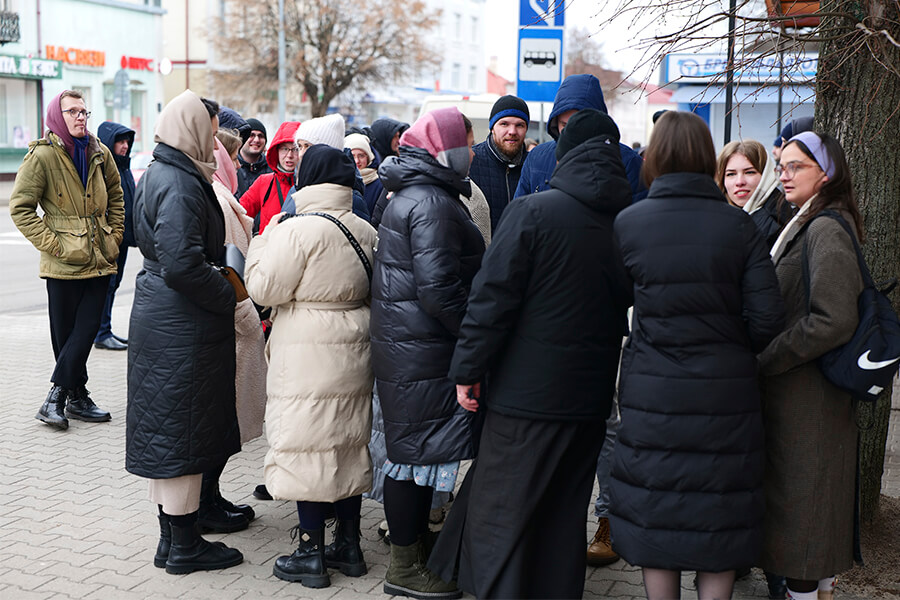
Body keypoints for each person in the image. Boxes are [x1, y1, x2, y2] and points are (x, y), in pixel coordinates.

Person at [428, 109, 633, 599]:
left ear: (563, 157)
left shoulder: (533, 213)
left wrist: (468, 370)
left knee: (503, 514)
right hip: (590, 397)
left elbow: (490, 301)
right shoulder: (625, 224)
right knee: (565, 516)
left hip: (526, 397)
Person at [608, 111, 785, 600]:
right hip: (726, 396)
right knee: (718, 519)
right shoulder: (738, 226)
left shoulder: (630, 224)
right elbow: (768, 318)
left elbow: (608, 305)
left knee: (658, 516)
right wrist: (730, 349)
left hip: (652, 394)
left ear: (656, 158)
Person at [245, 144, 377, 589]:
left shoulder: (295, 229)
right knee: (346, 443)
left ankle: (310, 552)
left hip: (306, 350)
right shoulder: (363, 226)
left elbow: (264, 288)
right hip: (355, 345)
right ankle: (351, 546)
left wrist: (263, 239)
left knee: (306, 447)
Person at [125, 90, 243, 574]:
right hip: (183, 323)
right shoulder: (179, 181)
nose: (216, 142)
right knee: (184, 438)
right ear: (191, 130)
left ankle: (170, 542)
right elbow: (182, 264)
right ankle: (186, 546)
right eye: (211, 133)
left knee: (171, 434)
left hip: (165, 317)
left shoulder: (161, 171)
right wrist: (227, 295)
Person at [370, 107, 484, 600]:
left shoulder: (416, 193)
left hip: (412, 347)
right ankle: (404, 565)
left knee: (415, 456)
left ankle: (416, 548)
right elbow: (439, 290)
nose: (474, 152)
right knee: (413, 459)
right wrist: (474, 337)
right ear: (449, 149)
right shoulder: (433, 202)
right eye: (468, 143)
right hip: (426, 350)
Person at [758, 131, 865, 600]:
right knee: (808, 524)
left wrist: (769, 357)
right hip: (803, 399)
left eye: (796, 166)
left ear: (827, 173)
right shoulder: (808, 220)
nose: (784, 173)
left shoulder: (824, 227)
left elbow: (834, 319)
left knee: (804, 529)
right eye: (782, 165)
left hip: (810, 403)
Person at [10, 90, 123, 430]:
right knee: (65, 337)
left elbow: (116, 196)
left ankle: (55, 398)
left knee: (86, 330)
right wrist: (54, 245)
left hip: (99, 257)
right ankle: (77, 395)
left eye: (84, 112)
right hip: (62, 262)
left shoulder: (99, 151)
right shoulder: (42, 157)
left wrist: (114, 235)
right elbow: (20, 208)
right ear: (57, 116)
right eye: (72, 111)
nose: (80, 117)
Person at [193, 128, 268, 534]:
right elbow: (229, 269)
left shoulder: (218, 197)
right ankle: (206, 503)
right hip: (233, 326)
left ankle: (212, 497)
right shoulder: (220, 201)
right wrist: (246, 318)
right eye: (232, 158)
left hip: (232, 326)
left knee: (225, 422)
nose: (237, 164)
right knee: (222, 423)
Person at [514, 73, 646, 204]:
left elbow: (636, 219)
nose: (570, 132)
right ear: (555, 122)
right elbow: (518, 214)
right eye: (564, 125)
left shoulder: (629, 162)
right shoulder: (537, 158)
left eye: (578, 123)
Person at [92, 121, 136, 351]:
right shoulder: (105, 169)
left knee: (114, 284)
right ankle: (101, 332)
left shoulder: (124, 168)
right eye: (120, 140)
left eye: (127, 141)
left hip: (123, 239)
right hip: (110, 239)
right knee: (107, 285)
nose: (125, 145)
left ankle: (104, 330)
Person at [716, 140, 794, 250]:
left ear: (766, 176)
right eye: (731, 174)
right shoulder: (717, 219)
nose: (739, 182)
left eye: (749, 172)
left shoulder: (777, 221)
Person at [468, 95, 530, 232]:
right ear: (492, 128)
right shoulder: (471, 161)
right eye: (504, 124)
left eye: (519, 125)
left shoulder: (534, 165)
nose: (512, 132)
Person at [239, 120, 301, 234]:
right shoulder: (264, 182)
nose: (289, 155)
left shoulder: (311, 185)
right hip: (268, 249)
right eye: (284, 149)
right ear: (276, 151)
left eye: (295, 149)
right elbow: (240, 214)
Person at [344, 132, 384, 216]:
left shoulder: (380, 185)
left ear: (368, 158)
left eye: (361, 156)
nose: (357, 161)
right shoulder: (339, 182)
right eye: (352, 156)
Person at [236, 118, 271, 198]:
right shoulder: (231, 167)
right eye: (251, 135)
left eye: (260, 136)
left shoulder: (272, 169)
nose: (256, 140)